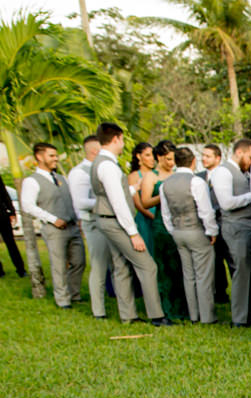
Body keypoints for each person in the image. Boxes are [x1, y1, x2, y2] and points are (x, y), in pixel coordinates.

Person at [89, 122, 169, 325]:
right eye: (122, 140)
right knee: (147, 265)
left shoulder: (101, 162)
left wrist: (133, 188)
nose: (123, 144)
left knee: (121, 266)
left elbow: (115, 194)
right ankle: (157, 315)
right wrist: (133, 233)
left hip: (106, 219)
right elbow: (118, 203)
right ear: (116, 139)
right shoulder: (107, 165)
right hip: (115, 221)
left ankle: (128, 315)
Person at [21, 142, 85, 308]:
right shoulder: (32, 181)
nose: (55, 158)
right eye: (51, 156)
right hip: (54, 229)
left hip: (72, 226)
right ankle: (63, 300)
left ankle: (74, 293)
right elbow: (28, 205)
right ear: (39, 157)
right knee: (58, 266)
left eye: (56, 155)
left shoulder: (60, 178)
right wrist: (52, 219)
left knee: (79, 261)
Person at [159, 147, 219, 323]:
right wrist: (212, 231)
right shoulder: (196, 182)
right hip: (196, 230)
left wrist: (173, 231)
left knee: (188, 274)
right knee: (203, 274)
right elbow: (205, 211)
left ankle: (194, 315)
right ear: (193, 161)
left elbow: (165, 214)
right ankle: (207, 316)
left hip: (178, 231)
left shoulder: (165, 185)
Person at [212, 138, 251, 327]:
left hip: (250, 227)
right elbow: (226, 202)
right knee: (241, 272)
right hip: (235, 228)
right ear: (240, 152)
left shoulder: (244, 173)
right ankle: (239, 319)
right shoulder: (223, 172)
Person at [68, 135, 114, 317]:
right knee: (99, 265)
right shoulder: (79, 172)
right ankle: (98, 310)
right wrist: (108, 202)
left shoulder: (104, 168)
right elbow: (79, 202)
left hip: (110, 221)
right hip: (93, 222)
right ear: (96, 151)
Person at [141, 140, 187, 320]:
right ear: (159, 157)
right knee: (164, 266)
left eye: (173, 159)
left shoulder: (178, 174)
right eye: (168, 159)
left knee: (180, 266)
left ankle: (183, 306)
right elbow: (145, 202)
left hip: (180, 222)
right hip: (161, 225)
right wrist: (164, 195)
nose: (171, 163)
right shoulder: (151, 177)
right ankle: (166, 306)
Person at [198, 143, 230, 304]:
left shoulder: (226, 174)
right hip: (207, 225)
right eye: (203, 155)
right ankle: (218, 291)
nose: (204, 159)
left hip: (226, 222)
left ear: (218, 158)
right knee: (214, 260)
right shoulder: (198, 177)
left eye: (208, 156)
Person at [0, 173, 25, 278]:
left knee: (11, 243)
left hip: (1, 215)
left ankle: (21, 269)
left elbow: (4, 193)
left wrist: (11, 211)